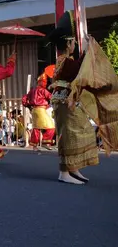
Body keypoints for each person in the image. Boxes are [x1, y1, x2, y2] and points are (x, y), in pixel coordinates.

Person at [48, 11, 97, 185]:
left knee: (77, 130)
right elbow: (78, 69)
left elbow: (77, 68)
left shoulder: (64, 60)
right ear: (69, 43)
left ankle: (72, 167)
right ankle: (64, 172)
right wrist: (89, 50)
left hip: (64, 100)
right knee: (67, 135)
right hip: (63, 101)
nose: (75, 44)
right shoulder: (65, 61)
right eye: (74, 41)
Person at [22, 73, 55, 150]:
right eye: (44, 81)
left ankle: (34, 146)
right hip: (41, 110)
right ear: (40, 82)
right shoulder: (43, 90)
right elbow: (51, 97)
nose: (45, 83)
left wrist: (28, 106)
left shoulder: (32, 90)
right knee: (51, 126)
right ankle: (45, 142)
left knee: (36, 128)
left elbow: (24, 98)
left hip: (34, 110)